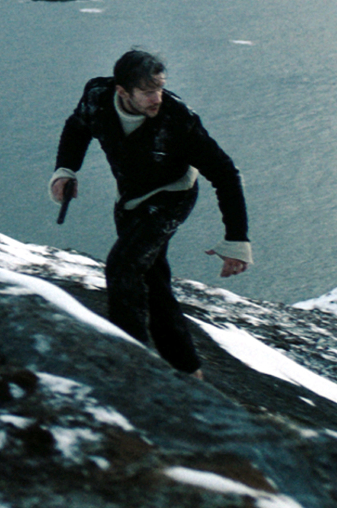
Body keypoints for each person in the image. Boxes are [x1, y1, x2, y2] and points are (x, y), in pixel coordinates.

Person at [50, 49, 250, 377]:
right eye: (147, 92)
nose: (157, 98)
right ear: (122, 92)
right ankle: (187, 370)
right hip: (130, 199)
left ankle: (134, 364)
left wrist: (236, 241)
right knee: (152, 281)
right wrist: (66, 170)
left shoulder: (178, 120)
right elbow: (77, 127)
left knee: (123, 266)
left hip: (173, 196)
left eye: (159, 88)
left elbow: (225, 173)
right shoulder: (97, 97)